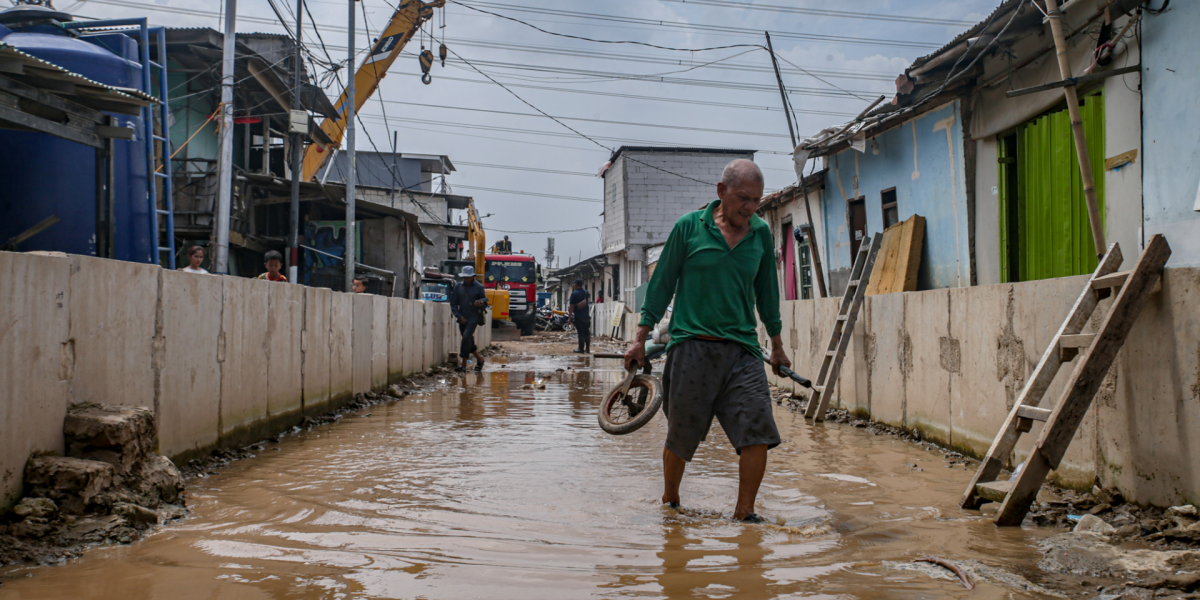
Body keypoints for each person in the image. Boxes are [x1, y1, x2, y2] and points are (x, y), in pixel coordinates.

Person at [623, 159, 790, 523]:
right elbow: (662, 285)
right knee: (681, 434)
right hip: (691, 346)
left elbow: (767, 295)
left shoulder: (760, 233)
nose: (750, 207)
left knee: (757, 429)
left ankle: (745, 515)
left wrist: (777, 347)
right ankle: (670, 504)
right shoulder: (688, 228)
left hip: (743, 351)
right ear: (721, 192)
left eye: (756, 201)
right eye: (743, 198)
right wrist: (640, 339)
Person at [450, 265, 488, 372]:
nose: (466, 279)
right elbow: (453, 303)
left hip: (474, 317)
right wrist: (458, 316)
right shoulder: (458, 287)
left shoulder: (479, 287)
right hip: (462, 317)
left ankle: (463, 364)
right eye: (464, 277)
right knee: (469, 341)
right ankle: (479, 359)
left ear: (472, 277)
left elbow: (485, 304)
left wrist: (480, 304)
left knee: (466, 337)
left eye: (468, 277)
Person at [569, 279, 591, 354]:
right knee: (587, 332)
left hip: (578, 316)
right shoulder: (586, 292)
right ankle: (587, 349)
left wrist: (569, 318)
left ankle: (581, 348)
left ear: (576, 284)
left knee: (581, 333)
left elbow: (571, 307)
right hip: (586, 316)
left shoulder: (574, 294)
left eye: (574, 283)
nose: (573, 285)